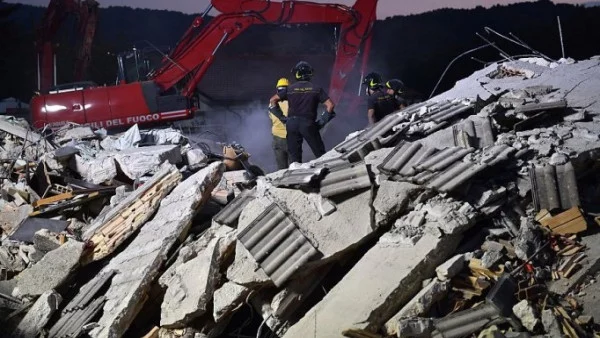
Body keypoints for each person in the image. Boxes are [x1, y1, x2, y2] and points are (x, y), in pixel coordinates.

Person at [269, 61, 335, 164]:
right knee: (320, 154)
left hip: (291, 124)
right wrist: (321, 122)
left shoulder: (290, 89)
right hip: (308, 124)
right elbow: (330, 105)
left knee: (294, 160)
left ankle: (294, 176)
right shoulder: (316, 89)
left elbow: (273, 100)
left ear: (296, 74)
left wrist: (282, 118)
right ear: (310, 74)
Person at [269, 77, 290, 170]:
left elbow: (271, 117)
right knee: (295, 166)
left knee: (281, 168)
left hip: (277, 138)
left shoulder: (272, 103)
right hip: (290, 137)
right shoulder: (292, 102)